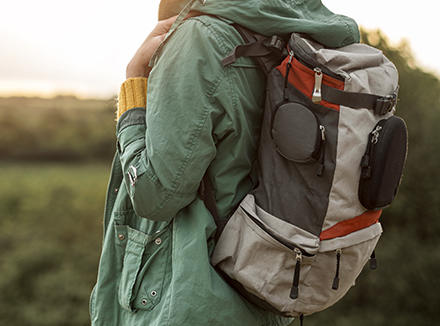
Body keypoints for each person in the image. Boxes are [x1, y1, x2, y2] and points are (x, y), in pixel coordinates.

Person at [89, 1, 360, 325]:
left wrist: (134, 87)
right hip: (263, 287)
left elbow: (155, 194)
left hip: (186, 301)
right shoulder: (298, 32)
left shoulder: (202, 38)